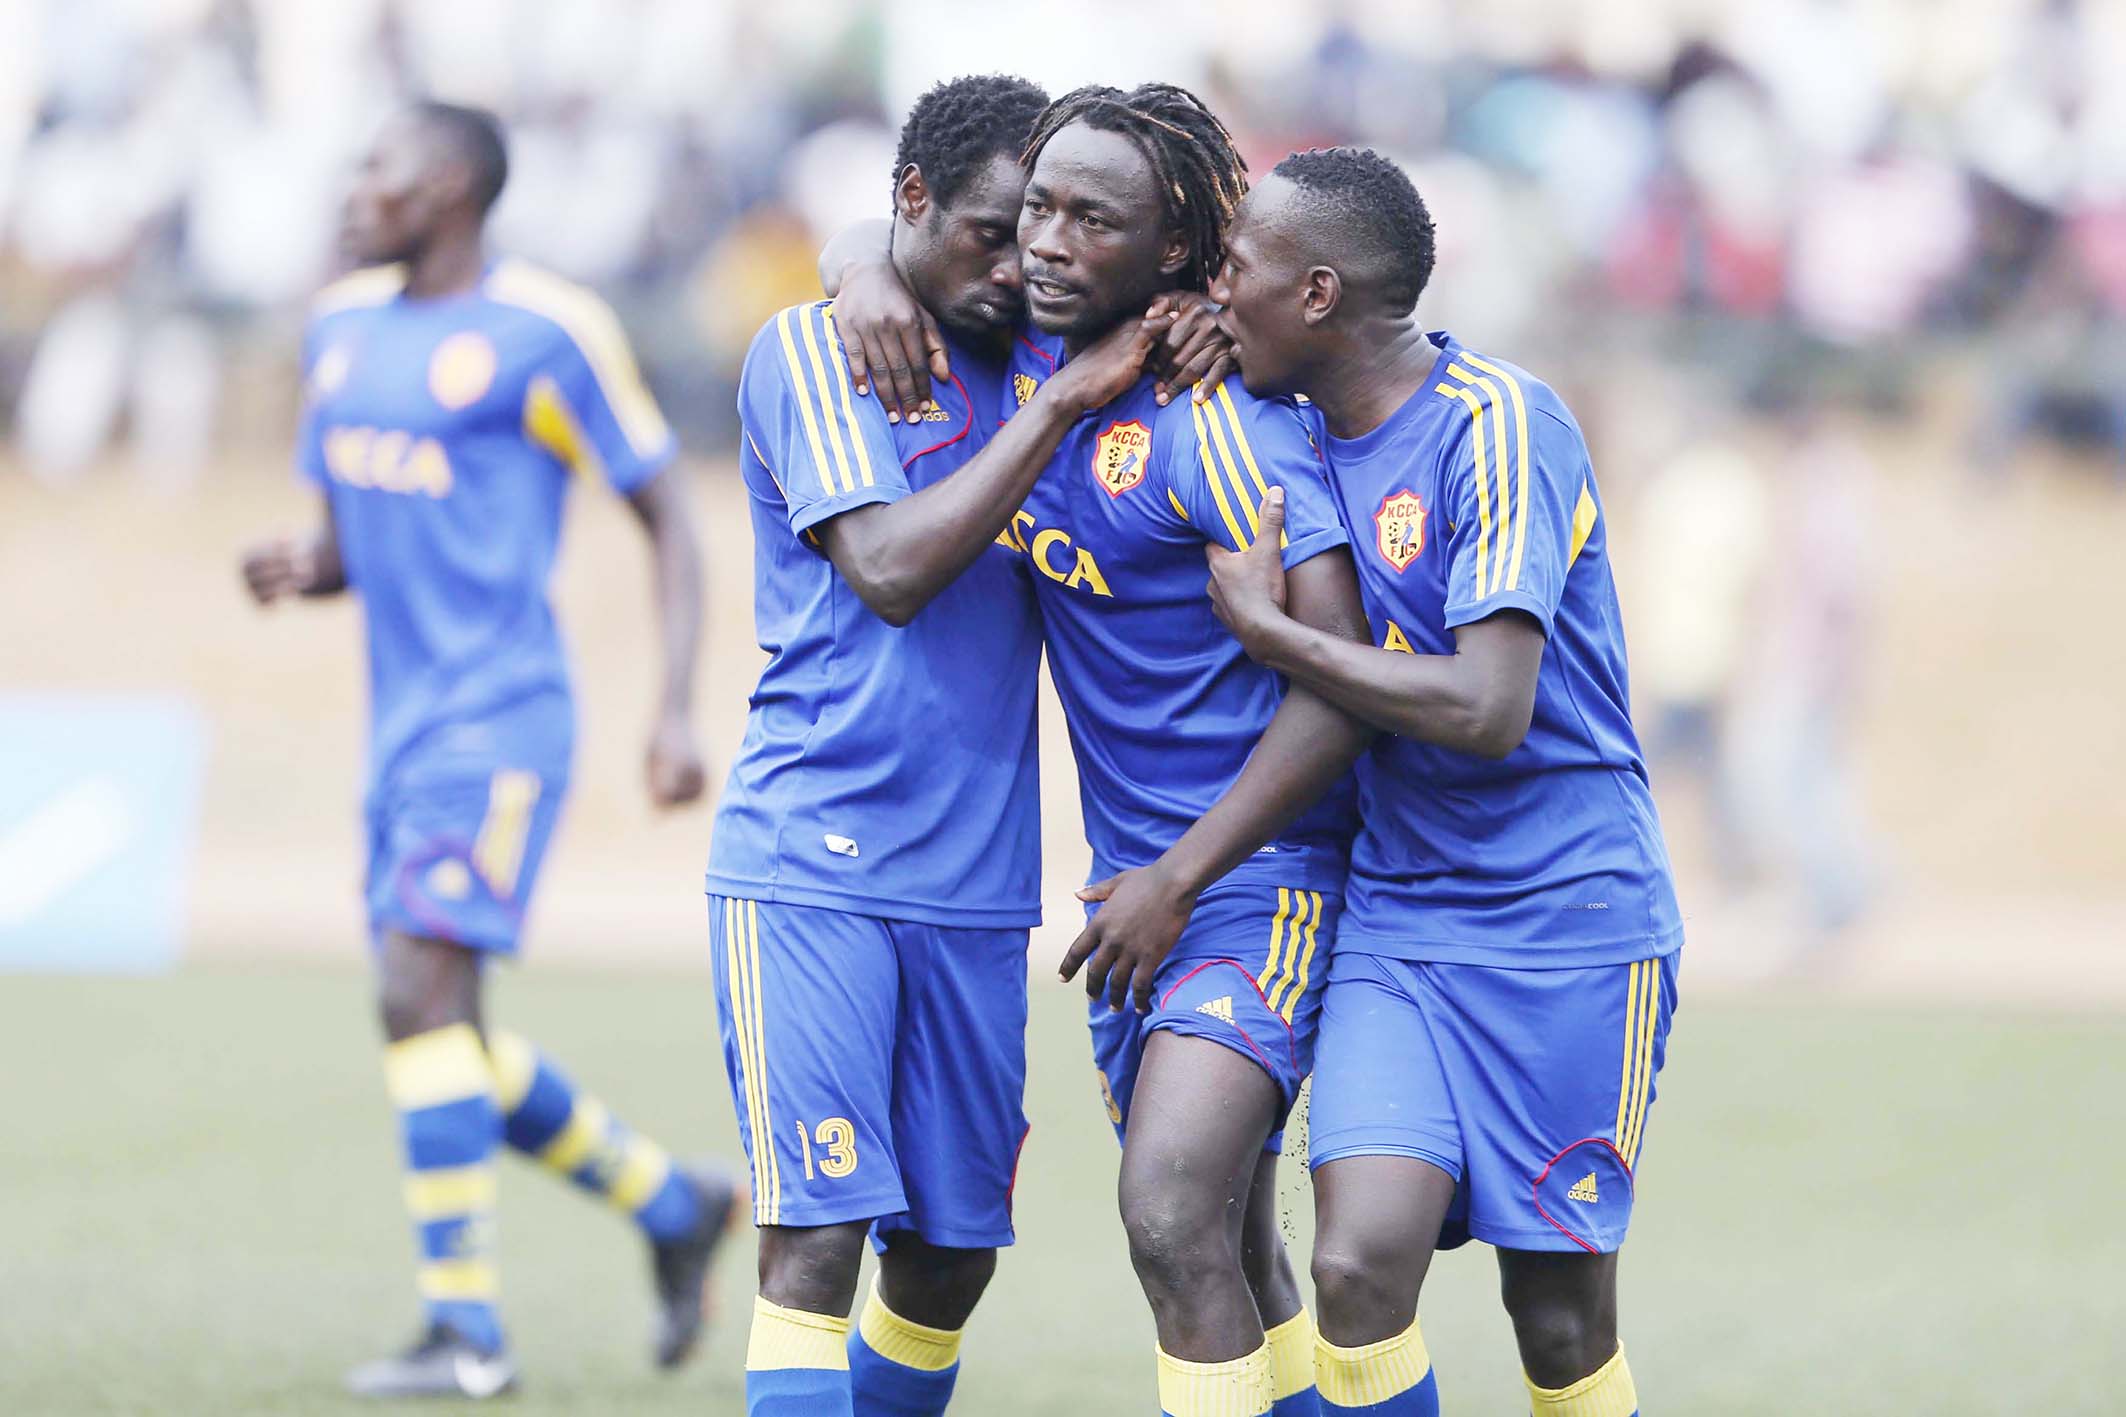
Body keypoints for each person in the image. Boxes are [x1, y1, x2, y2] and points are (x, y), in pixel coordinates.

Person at [830, 84, 1373, 1417]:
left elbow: (1343, 691)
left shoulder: (1222, 424)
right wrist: (855, 272)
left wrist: (1177, 880)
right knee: (1234, 1246)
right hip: (1125, 897)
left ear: (1175, 256)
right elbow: (904, 227)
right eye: (1040, 210)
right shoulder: (1019, 354)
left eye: (1093, 219)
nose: (1050, 243)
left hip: (1250, 879)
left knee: (1170, 1210)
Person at [706, 75, 1201, 1417]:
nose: (1022, 262)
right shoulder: (816, 351)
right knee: (811, 1237)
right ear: (909, 201)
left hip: (979, 887)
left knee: (945, 1256)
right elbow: (887, 568)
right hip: (814, 860)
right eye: (992, 230)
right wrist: (873, 279)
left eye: (1038, 228)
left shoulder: (1035, 348)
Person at [239, 101, 736, 1400]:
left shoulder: (547, 331)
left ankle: (465, 1333)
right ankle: (669, 1201)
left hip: (502, 722)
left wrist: (675, 707)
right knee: (438, 1026)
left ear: (452, 186)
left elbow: (666, 519)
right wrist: (309, 567)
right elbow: (351, 533)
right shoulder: (340, 327)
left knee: (416, 1001)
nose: (354, 188)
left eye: (377, 164)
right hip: (398, 725)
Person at [1200, 146, 1684, 1417]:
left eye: (1234, 267)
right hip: (1401, 920)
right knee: (1356, 1262)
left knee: (1558, 1319)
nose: (1212, 289)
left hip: (1568, 927)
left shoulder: (1500, 423)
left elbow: (1486, 704)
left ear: (1314, 294)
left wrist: (1279, 638)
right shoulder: (1293, 431)